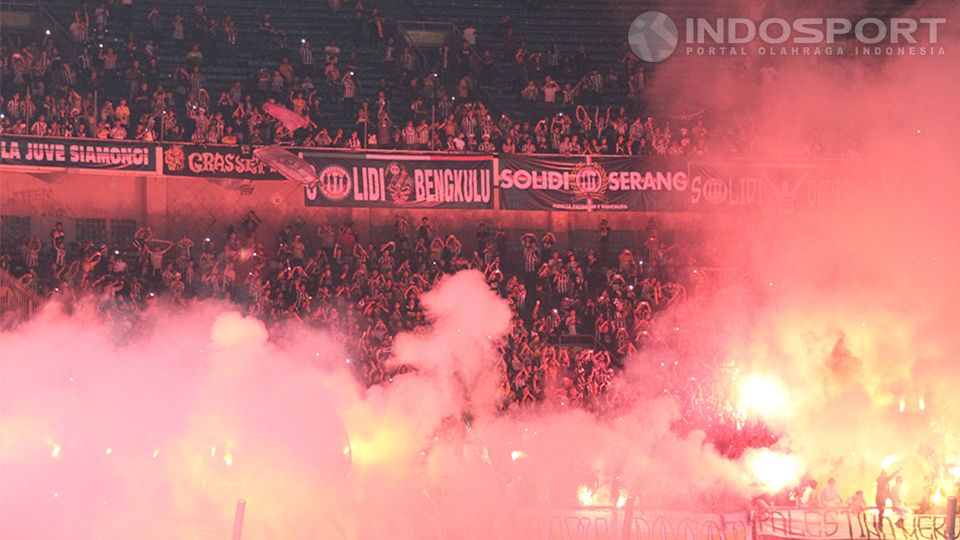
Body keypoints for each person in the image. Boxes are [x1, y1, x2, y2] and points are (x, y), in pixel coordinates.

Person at [875, 467, 900, 531]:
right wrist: (897, 471)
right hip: (880, 498)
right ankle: (880, 524)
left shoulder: (884, 480)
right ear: (882, 475)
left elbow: (889, 478)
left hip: (883, 496)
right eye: (884, 475)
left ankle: (880, 524)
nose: (885, 476)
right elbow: (890, 477)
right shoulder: (881, 480)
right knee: (881, 511)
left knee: (882, 511)